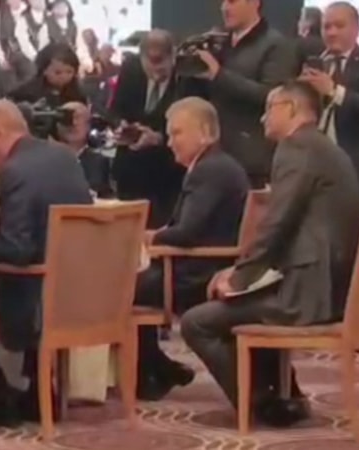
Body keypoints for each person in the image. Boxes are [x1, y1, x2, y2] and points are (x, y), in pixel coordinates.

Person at [181, 81, 359, 428]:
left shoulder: (296, 147)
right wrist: (245, 275)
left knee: (197, 322)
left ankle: (261, 403)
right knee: (243, 306)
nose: (263, 117)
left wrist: (239, 278)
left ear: (291, 109)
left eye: (269, 108)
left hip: (310, 294)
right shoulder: (326, 148)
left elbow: (277, 224)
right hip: (334, 288)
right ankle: (286, 396)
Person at [0, 99, 93, 423]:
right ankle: (34, 389)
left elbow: (17, 250)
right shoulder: (64, 157)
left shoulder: (14, 171)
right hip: (80, 292)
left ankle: (0, 393)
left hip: (36, 303)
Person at [134, 96, 249, 401]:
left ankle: (147, 372)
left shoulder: (210, 170)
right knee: (130, 282)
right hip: (200, 264)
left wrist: (146, 238)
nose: (170, 142)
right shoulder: (217, 165)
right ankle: (156, 366)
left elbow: (187, 233)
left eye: (177, 133)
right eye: (169, 134)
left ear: (205, 132)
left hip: (196, 273)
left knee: (116, 288)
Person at [187, 0, 300, 188]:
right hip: (216, 154)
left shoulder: (276, 45)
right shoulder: (219, 44)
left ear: (254, 3)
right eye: (223, 2)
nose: (224, 7)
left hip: (252, 161)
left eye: (232, 1)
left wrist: (219, 75)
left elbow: (272, 97)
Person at [300, 1, 359, 204]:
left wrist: (334, 91)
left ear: (357, 28)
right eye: (326, 26)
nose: (332, 32)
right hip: (318, 169)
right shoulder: (318, 63)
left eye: (339, 26)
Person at [110, 29, 185, 228]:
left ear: (173, 56)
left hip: (169, 173)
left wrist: (159, 138)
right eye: (150, 68)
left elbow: (192, 123)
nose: (156, 74)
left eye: (162, 68)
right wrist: (121, 126)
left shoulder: (187, 76)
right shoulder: (131, 68)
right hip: (131, 168)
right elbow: (115, 109)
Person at [55, 101, 112, 198]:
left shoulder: (100, 163)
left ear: (89, 125)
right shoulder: (46, 160)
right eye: (67, 119)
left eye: (78, 118)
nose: (74, 123)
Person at [6, 40, 86, 106]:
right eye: (58, 72)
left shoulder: (77, 93)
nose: (64, 77)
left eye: (69, 72)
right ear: (44, 70)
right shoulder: (27, 92)